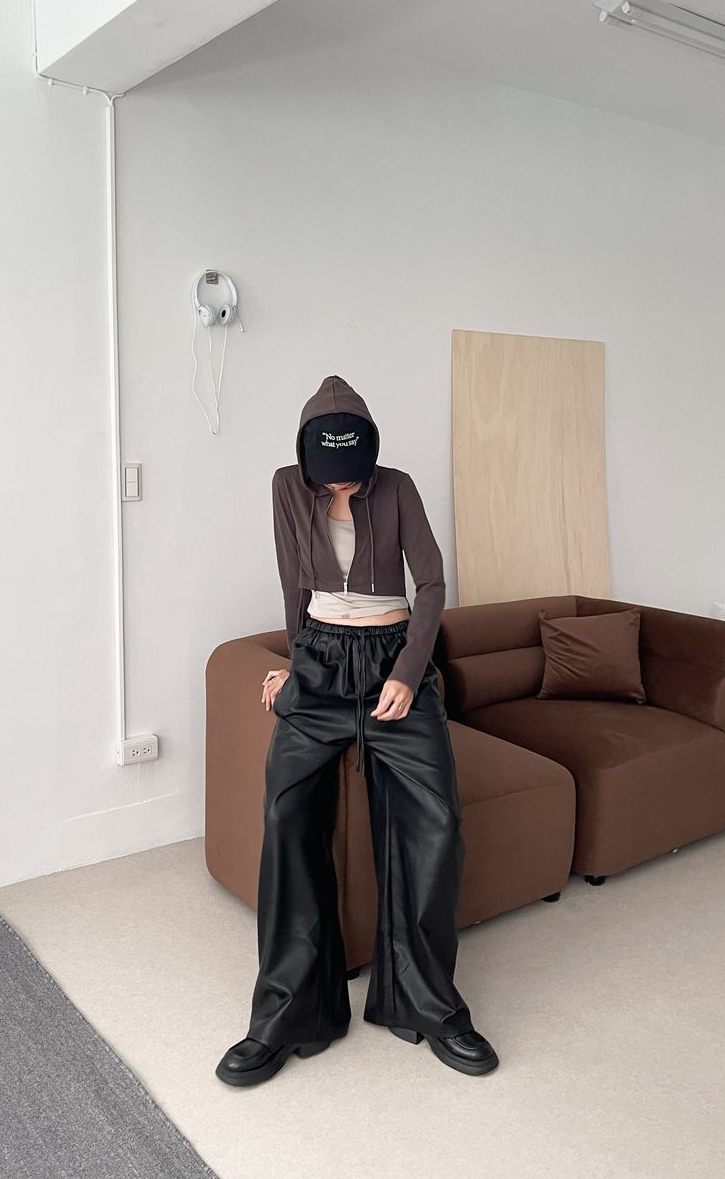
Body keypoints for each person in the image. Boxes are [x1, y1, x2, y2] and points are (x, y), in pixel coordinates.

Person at [215, 374, 498, 1087]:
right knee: (285, 819)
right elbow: (293, 582)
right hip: (319, 663)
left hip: (392, 662)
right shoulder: (287, 486)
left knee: (437, 819)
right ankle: (288, 1014)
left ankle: (428, 1004)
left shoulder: (397, 487)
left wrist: (408, 670)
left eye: (350, 469)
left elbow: (431, 584)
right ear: (307, 458)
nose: (340, 482)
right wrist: (294, 665)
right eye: (328, 471)